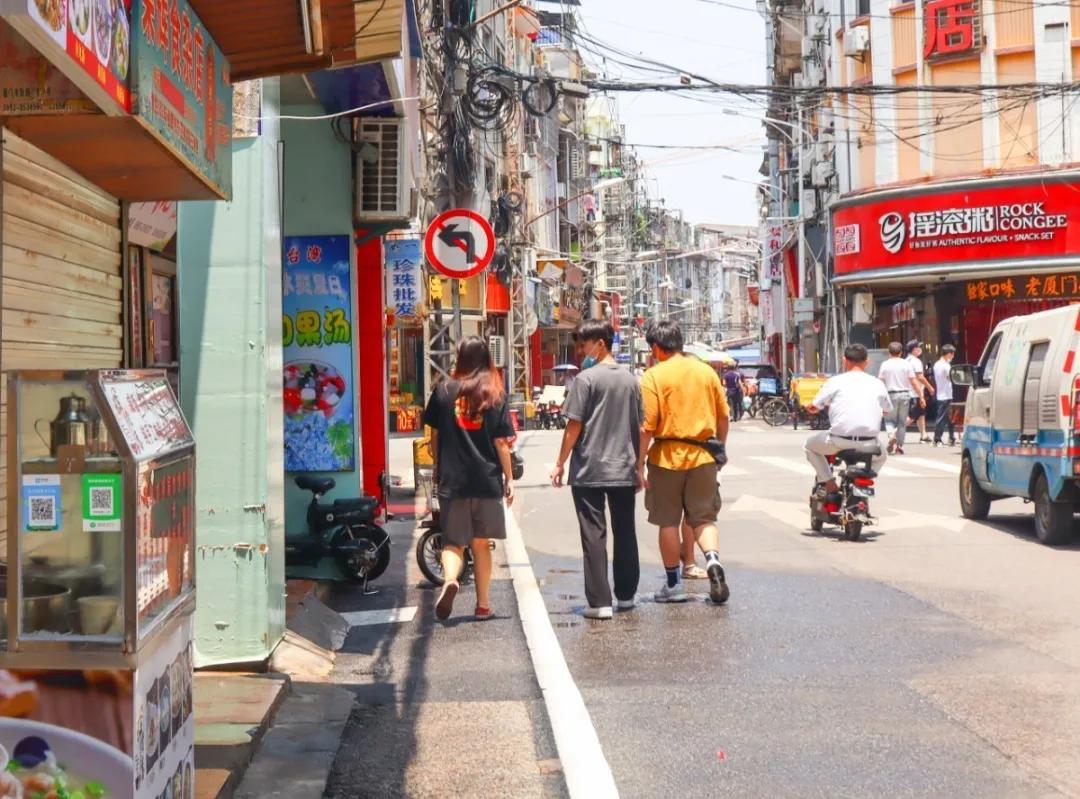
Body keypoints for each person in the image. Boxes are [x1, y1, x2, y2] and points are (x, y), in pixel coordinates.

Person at [551, 320, 643, 620]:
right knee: (625, 531)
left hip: (589, 468)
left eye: (584, 345)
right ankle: (627, 595)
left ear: (600, 344)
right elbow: (639, 426)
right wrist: (639, 466)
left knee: (594, 534)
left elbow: (573, 426)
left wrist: (560, 462)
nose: (580, 351)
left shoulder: (586, 380)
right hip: (623, 467)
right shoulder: (631, 380)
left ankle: (600, 602)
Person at [422, 336, 516, 621]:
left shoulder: (443, 391)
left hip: (454, 479)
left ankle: (451, 579)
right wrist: (509, 478)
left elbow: (434, 436)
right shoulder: (495, 393)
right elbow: (501, 443)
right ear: (486, 358)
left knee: (453, 542)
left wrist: (438, 467)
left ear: (460, 358)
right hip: (486, 480)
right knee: (481, 543)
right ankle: (483, 605)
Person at [638, 320, 731, 605]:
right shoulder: (706, 371)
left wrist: (638, 462)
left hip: (666, 459)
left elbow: (647, 426)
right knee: (704, 518)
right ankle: (713, 562)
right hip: (703, 456)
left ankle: (673, 584)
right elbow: (723, 416)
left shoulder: (653, 376)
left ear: (656, 347)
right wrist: (719, 450)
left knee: (667, 521)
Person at [805, 344, 893, 492]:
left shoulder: (834, 382)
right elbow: (887, 409)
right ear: (867, 362)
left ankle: (829, 482)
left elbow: (815, 406)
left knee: (809, 446)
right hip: (869, 443)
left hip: (838, 440)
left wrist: (810, 407)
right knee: (882, 456)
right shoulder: (877, 383)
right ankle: (864, 479)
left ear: (844, 360)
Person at [878, 341, 923, 455]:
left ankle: (891, 435)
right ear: (901, 352)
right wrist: (921, 396)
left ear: (889, 352)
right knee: (902, 422)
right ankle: (899, 446)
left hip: (890, 395)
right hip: (905, 395)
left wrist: (879, 398)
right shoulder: (906, 364)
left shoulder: (885, 364)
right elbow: (913, 381)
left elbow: (881, 382)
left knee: (889, 420)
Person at [905, 340, 934, 443]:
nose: (920, 349)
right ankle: (895, 433)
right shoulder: (916, 361)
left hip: (908, 392)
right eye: (918, 347)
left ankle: (924, 435)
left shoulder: (906, 360)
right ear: (914, 349)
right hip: (915, 393)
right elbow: (920, 377)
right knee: (912, 416)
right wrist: (930, 387)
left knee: (921, 414)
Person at [932, 344, 958, 446]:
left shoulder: (937, 364)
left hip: (942, 394)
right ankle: (937, 438)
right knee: (942, 418)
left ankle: (951, 437)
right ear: (948, 354)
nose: (953, 356)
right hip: (946, 395)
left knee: (949, 418)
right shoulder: (945, 365)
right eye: (952, 354)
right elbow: (950, 377)